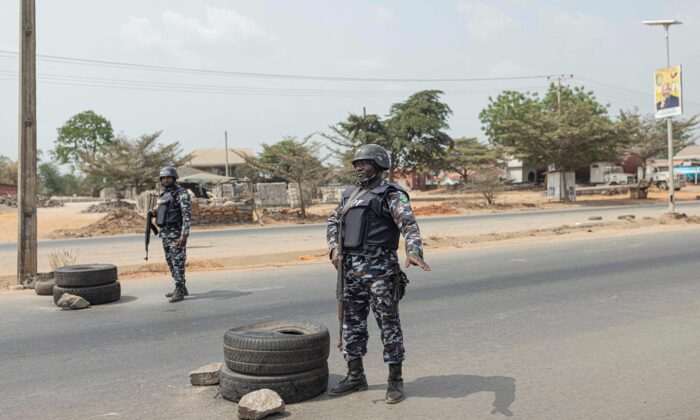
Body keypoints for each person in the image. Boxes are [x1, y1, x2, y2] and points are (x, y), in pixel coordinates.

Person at [326, 144, 431, 404]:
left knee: (388, 325)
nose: (359, 167)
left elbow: (408, 223)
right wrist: (333, 250)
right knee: (351, 325)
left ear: (379, 165)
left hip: (380, 270)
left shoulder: (391, 194)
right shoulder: (350, 194)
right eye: (356, 164)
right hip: (349, 271)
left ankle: (395, 380)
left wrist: (414, 250)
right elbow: (333, 222)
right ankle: (355, 376)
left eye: (365, 163)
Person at [154, 166, 191, 303]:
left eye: (168, 177)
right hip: (165, 234)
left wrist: (184, 235)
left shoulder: (181, 193)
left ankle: (179, 289)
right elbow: (160, 210)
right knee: (170, 261)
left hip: (176, 234)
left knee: (178, 262)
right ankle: (181, 286)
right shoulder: (163, 194)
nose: (165, 180)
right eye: (163, 178)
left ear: (174, 178)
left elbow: (186, 215)